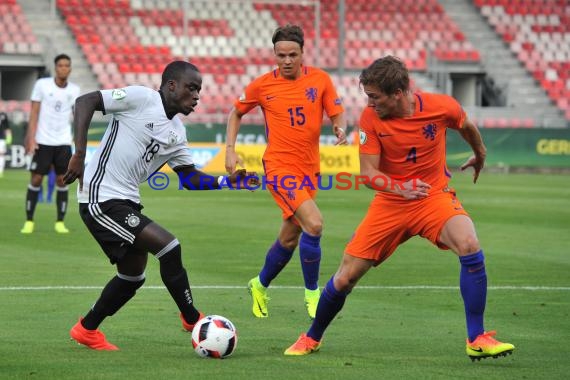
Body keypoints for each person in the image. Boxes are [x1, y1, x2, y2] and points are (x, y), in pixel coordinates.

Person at [284, 56, 515, 361]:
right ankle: (311, 337)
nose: (369, 104)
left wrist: (480, 153)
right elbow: (368, 174)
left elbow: (466, 124)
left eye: (374, 97)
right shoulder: (371, 120)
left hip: (433, 197)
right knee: (344, 278)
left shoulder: (441, 106)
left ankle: (477, 338)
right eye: (367, 96)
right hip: (391, 203)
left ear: (398, 93)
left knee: (469, 244)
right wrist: (400, 187)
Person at [63, 60, 257, 351]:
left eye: (199, 91)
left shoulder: (177, 133)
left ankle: (86, 329)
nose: (197, 96)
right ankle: (193, 319)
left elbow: (189, 177)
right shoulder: (142, 98)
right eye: (191, 88)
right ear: (171, 85)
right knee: (169, 246)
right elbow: (86, 100)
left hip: (126, 201)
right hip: (100, 196)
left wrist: (226, 182)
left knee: (132, 275)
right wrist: (79, 153)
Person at [225, 24, 347, 320]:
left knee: (290, 238)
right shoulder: (262, 85)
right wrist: (230, 148)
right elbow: (236, 112)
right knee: (314, 225)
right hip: (279, 168)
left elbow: (336, 110)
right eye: (281, 55)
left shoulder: (321, 80)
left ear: (303, 53)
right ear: (274, 55)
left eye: (293, 54)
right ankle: (314, 295)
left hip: (310, 169)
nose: (287, 60)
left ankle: (259, 284)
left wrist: (339, 126)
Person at [21, 54, 80, 234]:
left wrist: (78, 144)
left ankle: (60, 222)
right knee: (36, 179)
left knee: (63, 181)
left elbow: (78, 118)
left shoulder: (75, 90)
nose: (63, 68)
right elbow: (34, 113)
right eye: (60, 65)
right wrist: (30, 138)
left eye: (66, 66)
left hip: (63, 141)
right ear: (55, 68)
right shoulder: (42, 85)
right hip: (43, 141)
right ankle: (29, 220)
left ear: (70, 69)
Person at [0, 111, 12, 178]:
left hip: (1, 138)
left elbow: (7, 128)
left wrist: (9, 139)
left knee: (1, 154)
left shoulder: (3, 115)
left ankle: (0, 171)